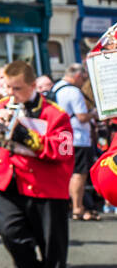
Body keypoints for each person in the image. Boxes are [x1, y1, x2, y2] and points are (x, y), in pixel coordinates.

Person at [0, 60, 71, 268]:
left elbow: (62, 151)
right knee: (10, 235)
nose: (11, 93)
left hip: (46, 189)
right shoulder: (0, 106)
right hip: (10, 183)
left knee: (52, 247)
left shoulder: (55, 113)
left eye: (17, 88)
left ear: (33, 86)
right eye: (7, 87)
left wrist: (25, 136)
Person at [51, 64, 96, 220]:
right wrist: (94, 113)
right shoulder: (74, 92)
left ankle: (73, 205)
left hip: (63, 137)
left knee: (69, 173)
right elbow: (82, 116)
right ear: (77, 76)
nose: (84, 81)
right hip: (78, 137)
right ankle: (77, 207)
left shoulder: (56, 88)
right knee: (79, 174)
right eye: (83, 78)